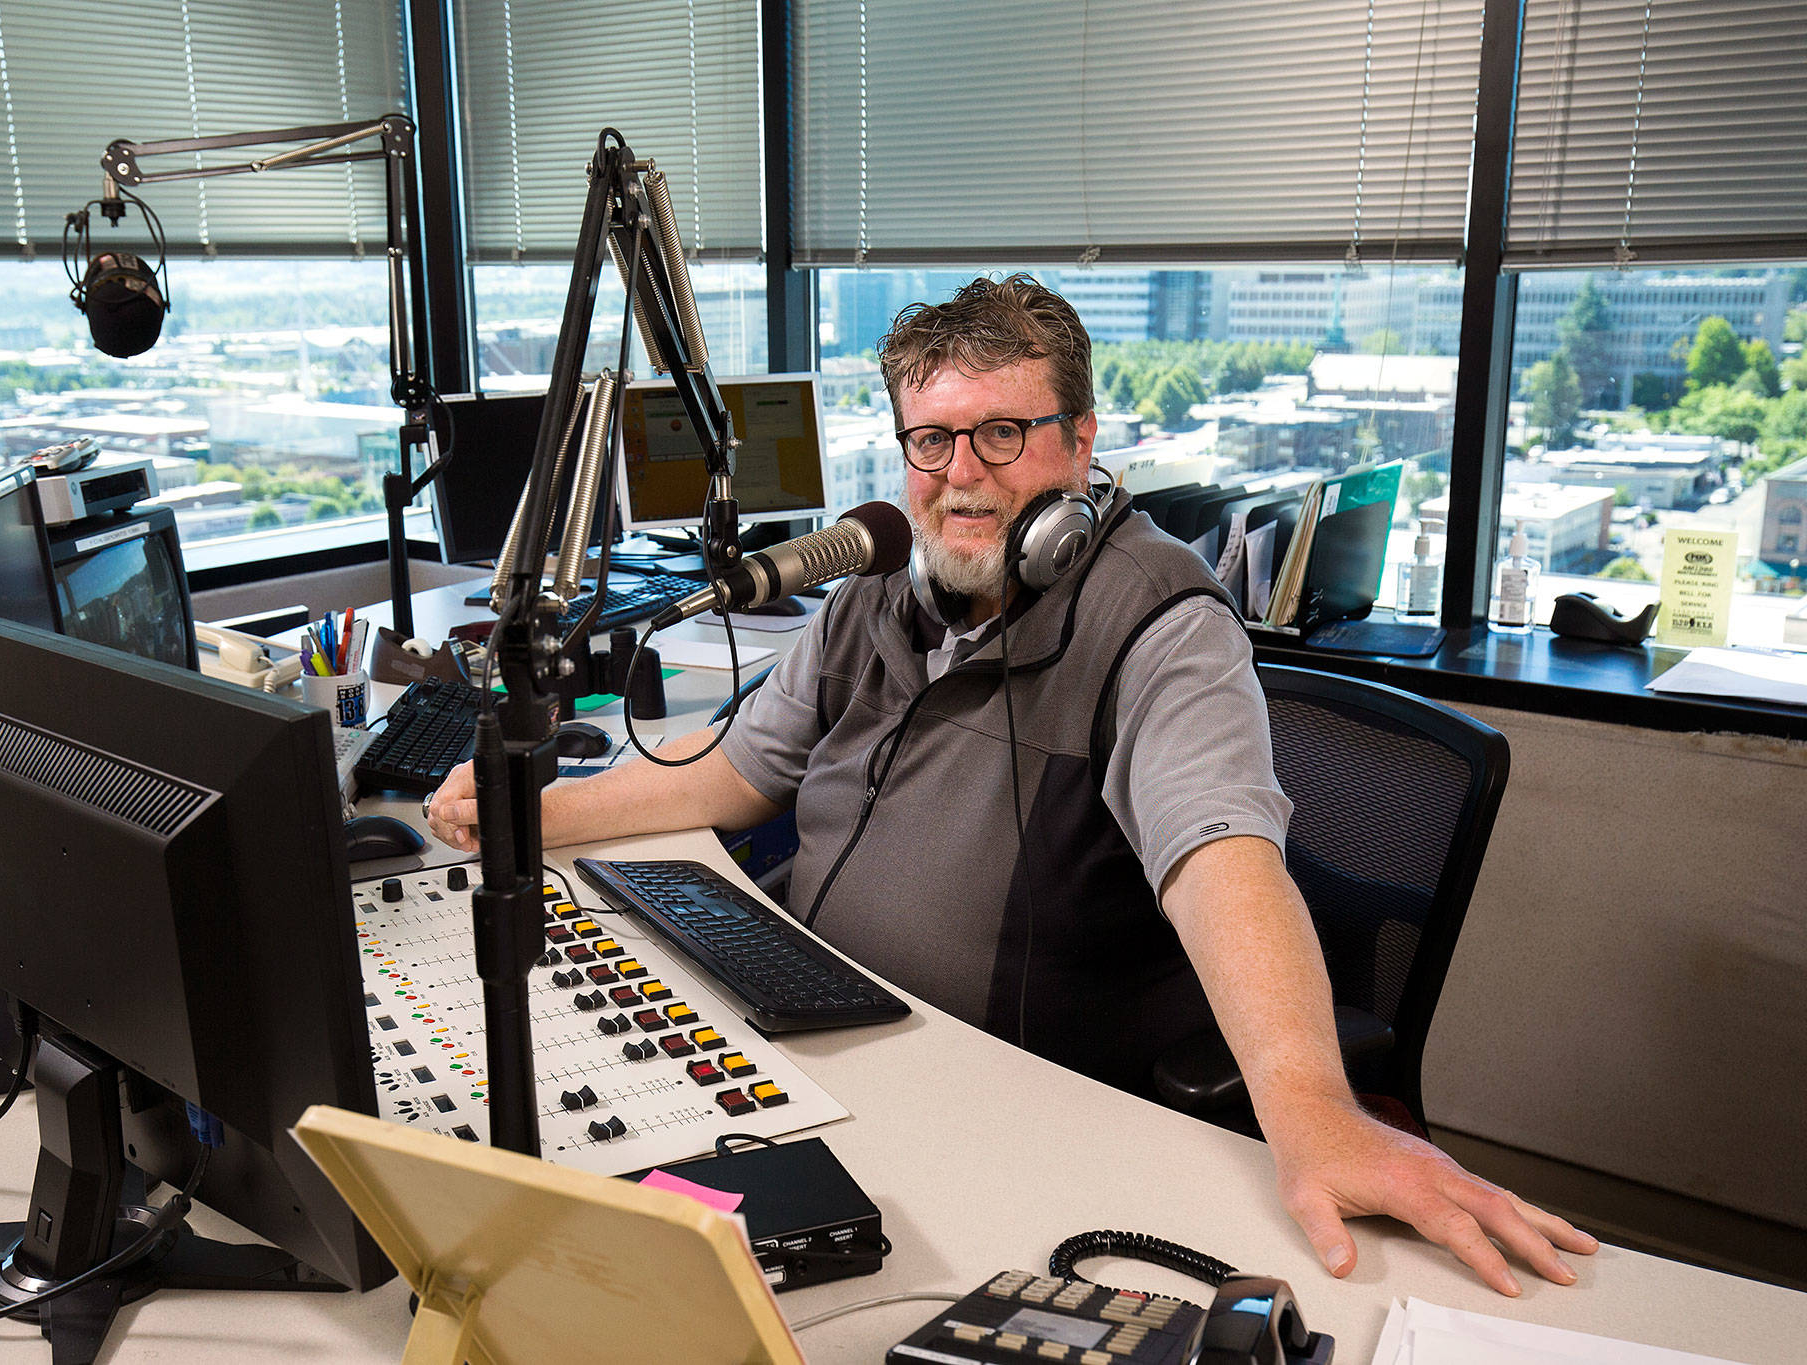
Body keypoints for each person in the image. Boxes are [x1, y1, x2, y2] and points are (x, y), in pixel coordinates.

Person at [427, 274, 1597, 1296]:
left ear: (1079, 445)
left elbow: (1218, 855)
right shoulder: (871, 598)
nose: (959, 475)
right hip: (811, 1037)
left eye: (1003, 434)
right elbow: (736, 772)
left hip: (995, 1098)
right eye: (929, 441)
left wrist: (1310, 1109)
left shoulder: (1160, 623)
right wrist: (529, 813)